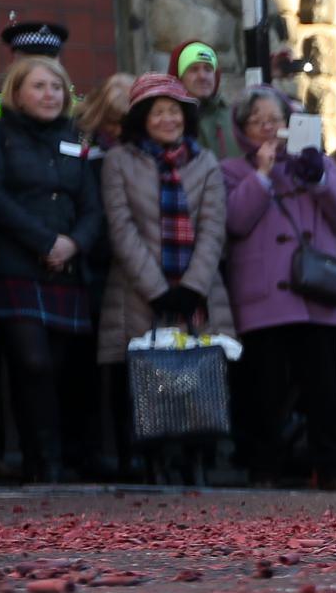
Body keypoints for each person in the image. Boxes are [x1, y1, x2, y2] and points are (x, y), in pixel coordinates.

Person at [0, 53, 104, 482]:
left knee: (60, 368)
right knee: (32, 363)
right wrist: (44, 241)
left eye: (56, 87)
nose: (50, 95)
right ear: (17, 92)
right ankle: (38, 461)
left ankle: (54, 460)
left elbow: (91, 205)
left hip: (64, 268)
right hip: (14, 265)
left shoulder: (75, 137)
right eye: (39, 86)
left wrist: (73, 244)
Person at [223, 88, 336, 489]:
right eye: (259, 120)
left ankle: (335, 471)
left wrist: (319, 178)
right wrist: (262, 176)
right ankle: (265, 469)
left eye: (277, 119)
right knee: (266, 392)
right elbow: (234, 221)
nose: (270, 127)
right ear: (244, 128)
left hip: (318, 296)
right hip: (264, 298)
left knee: (324, 391)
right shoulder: (232, 170)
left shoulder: (316, 163)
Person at [99, 72, 236, 382]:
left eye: (174, 111)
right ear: (143, 119)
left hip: (200, 299)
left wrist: (191, 288)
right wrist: (159, 291)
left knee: (202, 402)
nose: (168, 119)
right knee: (141, 404)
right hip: (136, 298)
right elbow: (121, 230)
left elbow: (213, 230)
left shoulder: (206, 163)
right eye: (158, 111)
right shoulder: (119, 161)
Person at [168, 41, 239, 164]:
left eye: (208, 69)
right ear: (179, 77)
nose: (202, 76)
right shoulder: (167, 119)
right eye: (193, 69)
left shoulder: (233, 116)